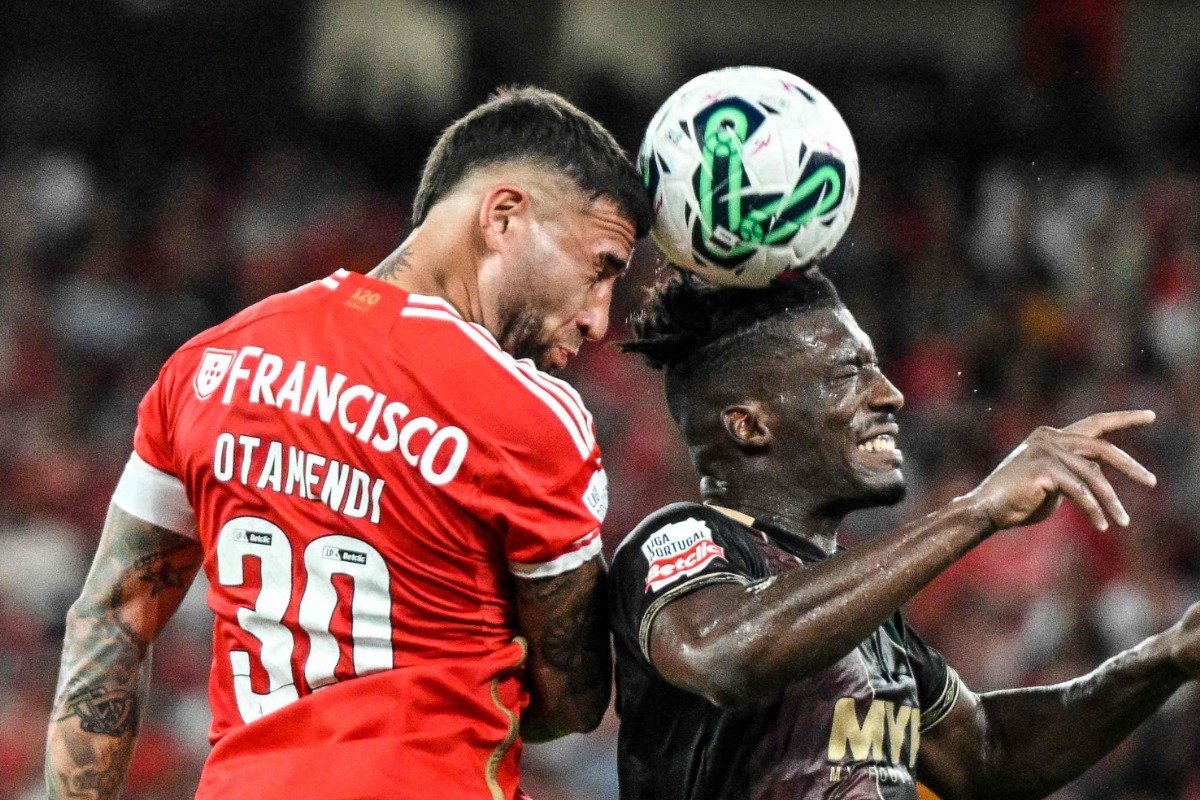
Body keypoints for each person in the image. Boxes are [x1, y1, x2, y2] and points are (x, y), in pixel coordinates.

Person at [45, 87, 651, 800]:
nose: (598, 318)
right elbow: (574, 699)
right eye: (600, 267)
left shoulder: (209, 365)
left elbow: (110, 619)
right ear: (504, 216)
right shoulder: (527, 416)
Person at [610, 268, 1199, 800]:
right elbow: (723, 653)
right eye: (849, 373)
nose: (889, 394)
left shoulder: (862, 608)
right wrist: (975, 510)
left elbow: (988, 752)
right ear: (750, 425)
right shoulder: (683, 537)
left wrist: (1167, 655)